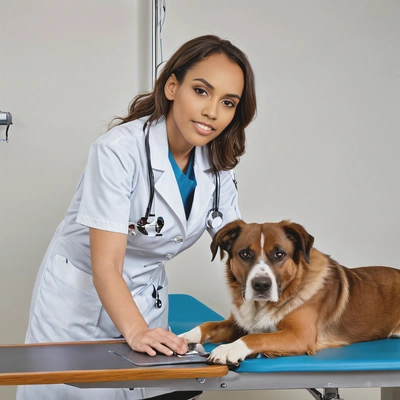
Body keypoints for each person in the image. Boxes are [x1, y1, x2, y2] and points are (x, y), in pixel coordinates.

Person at [17, 34, 257, 400]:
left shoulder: (218, 167)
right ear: (172, 86)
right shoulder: (118, 152)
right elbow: (107, 264)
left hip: (144, 297)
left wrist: (287, 305)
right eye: (201, 91)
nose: (213, 112)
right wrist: (136, 330)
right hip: (80, 301)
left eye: (228, 102)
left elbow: (244, 248)